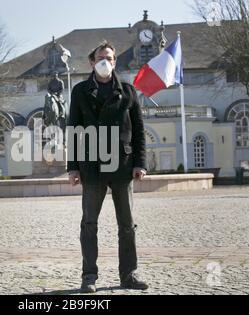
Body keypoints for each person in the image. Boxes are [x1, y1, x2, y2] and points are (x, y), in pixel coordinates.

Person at [67, 41, 148, 293]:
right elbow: (73, 129)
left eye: (110, 58)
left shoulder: (128, 91)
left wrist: (140, 163)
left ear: (115, 62)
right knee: (89, 223)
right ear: (92, 62)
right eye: (101, 57)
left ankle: (129, 275)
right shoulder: (80, 91)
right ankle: (89, 277)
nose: (106, 61)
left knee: (127, 224)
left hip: (122, 166)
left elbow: (139, 131)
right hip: (91, 165)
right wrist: (73, 167)